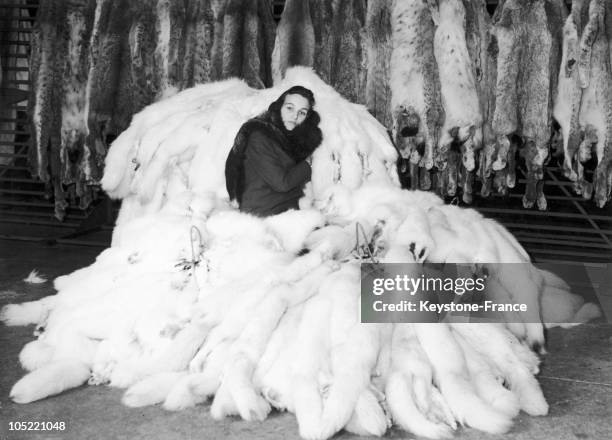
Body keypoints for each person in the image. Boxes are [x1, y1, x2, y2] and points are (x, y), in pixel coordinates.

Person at [225, 86, 323, 216]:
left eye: (302, 112)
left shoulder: (296, 137)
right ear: (279, 107)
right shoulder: (259, 136)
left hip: (288, 207)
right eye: (289, 108)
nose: (295, 116)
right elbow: (282, 183)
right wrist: (309, 164)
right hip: (261, 213)